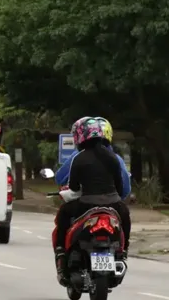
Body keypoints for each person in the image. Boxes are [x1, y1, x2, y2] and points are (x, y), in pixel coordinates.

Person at [53, 117, 132, 286]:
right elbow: (120, 186)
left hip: (86, 205)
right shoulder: (113, 158)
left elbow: (73, 187)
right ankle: (124, 250)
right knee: (125, 215)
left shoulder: (79, 158)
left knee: (64, 214)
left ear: (80, 136)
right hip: (113, 204)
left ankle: (60, 250)